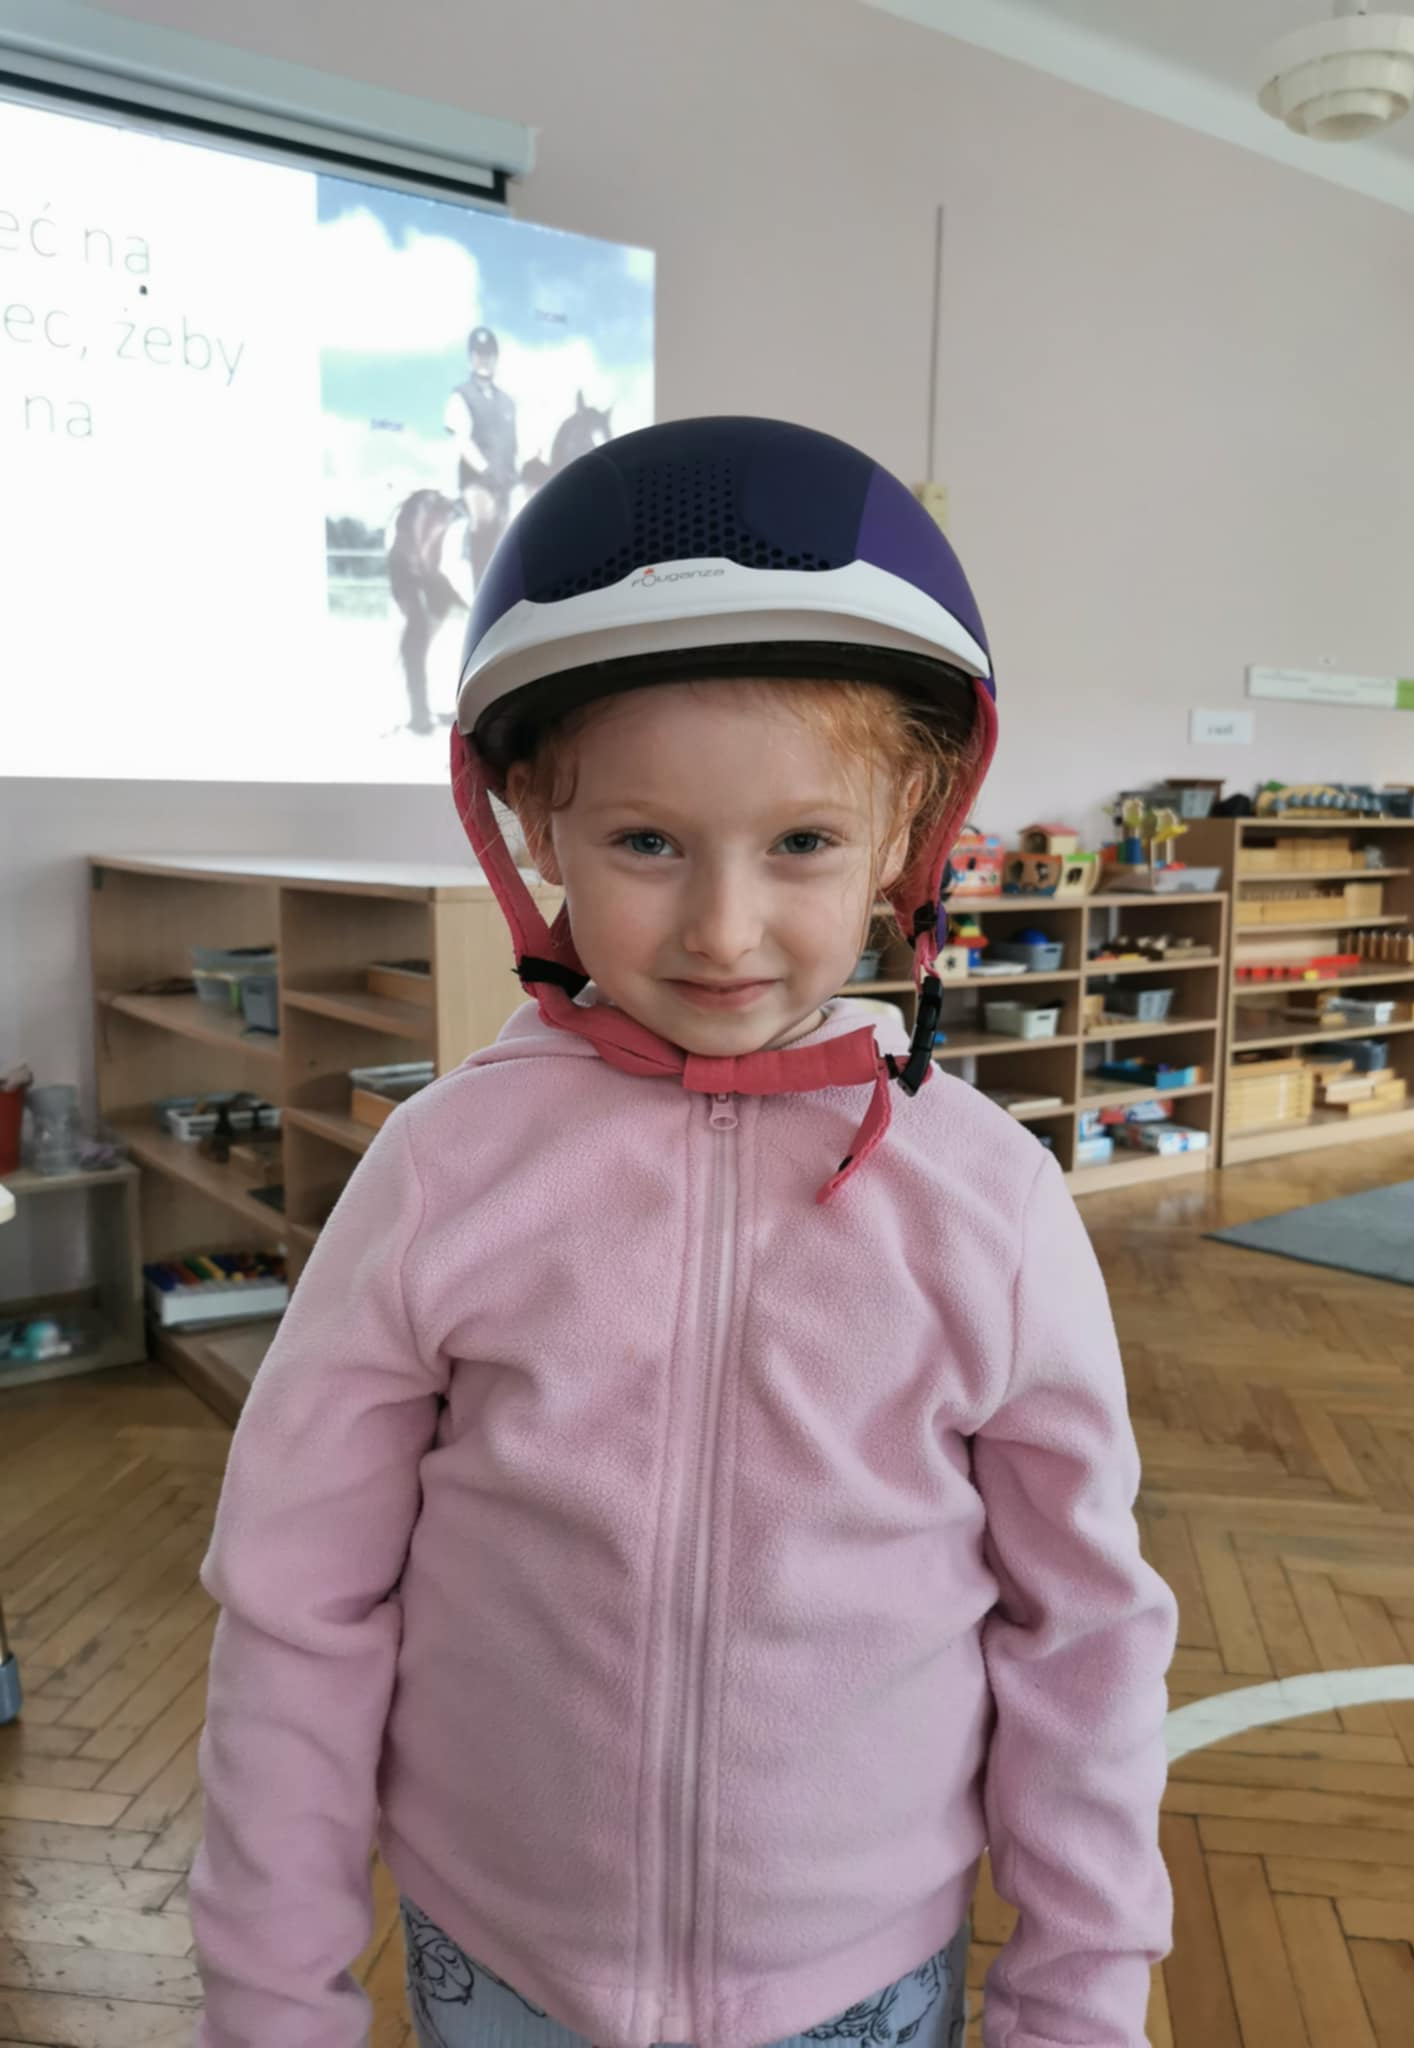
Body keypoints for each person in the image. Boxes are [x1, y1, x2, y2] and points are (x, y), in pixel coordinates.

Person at [189, 417, 1176, 2048]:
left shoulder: (989, 1205)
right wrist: (272, 1997)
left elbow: (1085, 1632)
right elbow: (298, 1604)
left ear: (905, 835)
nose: (723, 929)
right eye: (647, 841)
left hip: (857, 1983)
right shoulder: (443, 1173)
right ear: (532, 820)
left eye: (802, 842)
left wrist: (1077, 1998)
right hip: (499, 1960)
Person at [445, 325, 520, 590]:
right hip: (478, 482)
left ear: (495, 358)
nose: (484, 359)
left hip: (508, 481)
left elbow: (516, 444)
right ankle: (480, 588)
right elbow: (462, 441)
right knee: (483, 519)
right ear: (471, 358)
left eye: (488, 354)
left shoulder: (508, 402)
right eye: (478, 354)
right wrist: (486, 470)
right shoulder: (460, 396)